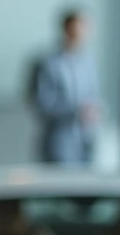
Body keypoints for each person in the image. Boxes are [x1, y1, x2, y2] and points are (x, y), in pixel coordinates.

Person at [32, 9, 102, 165]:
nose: (84, 33)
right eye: (80, 27)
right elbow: (42, 104)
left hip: (85, 139)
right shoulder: (48, 63)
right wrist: (77, 111)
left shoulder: (88, 62)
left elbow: (94, 96)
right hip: (59, 141)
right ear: (67, 29)